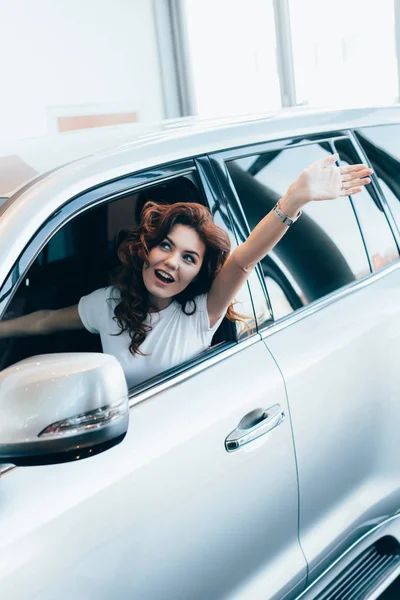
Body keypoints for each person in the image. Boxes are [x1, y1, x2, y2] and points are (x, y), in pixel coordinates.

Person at [0, 154, 372, 387]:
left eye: (189, 258)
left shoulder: (200, 315)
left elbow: (244, 259)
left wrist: (294, 198)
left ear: (197, 274)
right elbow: (44, 321)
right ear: (146, 250)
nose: (172, 262)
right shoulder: (108, 303)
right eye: (165, 245)